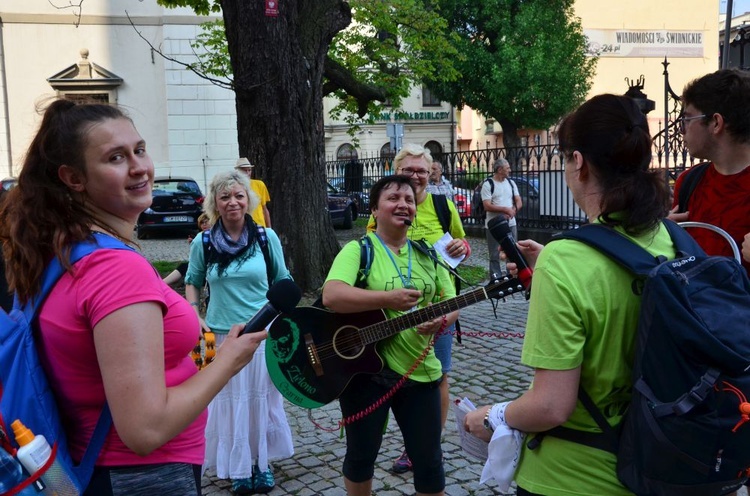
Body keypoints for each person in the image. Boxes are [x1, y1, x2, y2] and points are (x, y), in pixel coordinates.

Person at [0, 100, 266, 495]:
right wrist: (227, 361)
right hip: (142, 475)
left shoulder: (63, 249)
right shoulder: (115, 268)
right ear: (74, 177)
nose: (139, 166)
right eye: (116, 157)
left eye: (139, 150)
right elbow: (146, 429)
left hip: (96, 464)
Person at [464, 94, 675, 495]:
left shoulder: (566, 262)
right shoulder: (672, 237)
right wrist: (555, 262)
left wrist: (492, 415)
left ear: (579, 163)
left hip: (577, 476)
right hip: (666, 462)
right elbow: (631, 280)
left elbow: (551, 406)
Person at [323, 174, 459, 496]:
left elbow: (451, 301)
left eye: (409, 200)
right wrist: (387, 298)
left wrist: (442, 318)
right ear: (374, 209)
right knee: (361, 456)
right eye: (393, 198)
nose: (403, 205)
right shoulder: (359, 250)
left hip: (422, 373)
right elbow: (332, 295)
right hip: (367, 374)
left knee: (429, 461)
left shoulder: (428, 254)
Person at [184, 170, 293, 495]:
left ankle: (261, 464)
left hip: (262, 335)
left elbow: (283, 281)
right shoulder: (203, 242)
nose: (233, 202)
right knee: (226, 404)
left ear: (249, 200)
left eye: (239, 196)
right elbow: (193, 280)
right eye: (225, 196)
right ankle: (238, 469)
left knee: (260, 401)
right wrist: (193, 314)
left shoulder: (265, 238)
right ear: (215, 203)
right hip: (217, 337)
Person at [366, 143, 470, 474]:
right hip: (394, 312)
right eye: (408, 170)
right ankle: (390, 438)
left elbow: (462, 245)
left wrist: (461, 247)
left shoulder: (442, 204)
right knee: (390, 376)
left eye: (421, 171)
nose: (415, 176)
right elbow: (372, 251)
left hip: (439, 306)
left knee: (438, 375)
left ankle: (425, 444)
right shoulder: (387, 207)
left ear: (430, 173)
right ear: (396, 172)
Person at [668, 69, 750, 274]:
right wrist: (664, 233)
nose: (681, 129)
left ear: (715, 123)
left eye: (687, 119)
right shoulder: (689, 181)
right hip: (696, 304)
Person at [481, 158, 522, 278]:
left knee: (513, 251)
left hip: (510, 223)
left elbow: (518, 200)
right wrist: (505, 210)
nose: (510, 170)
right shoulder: (488, 184)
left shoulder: (511, 183)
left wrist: (512, 211)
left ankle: (512, 276)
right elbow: (487, 205)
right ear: (499, 169)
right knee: (494, 253)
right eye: (507, 168)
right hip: (493, 225)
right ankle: (495, 278)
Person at [162, 213, 212, 286]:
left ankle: (162, 283)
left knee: (185, 267)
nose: (204, 224)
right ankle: (162, 283)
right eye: (202, 223)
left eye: (206, 222)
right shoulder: (200, 236)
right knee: (185, 266)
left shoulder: (207, 236)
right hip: (204, 268)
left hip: (208, 271)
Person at [235, 157, 272, 228]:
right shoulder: (234, 187)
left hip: (260, 226)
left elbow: (264, 209)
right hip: (243, 227)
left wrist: (269, 229)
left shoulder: (259, 185)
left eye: (249, 170)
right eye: (244, 170)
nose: (247, 173)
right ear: (237, 171)